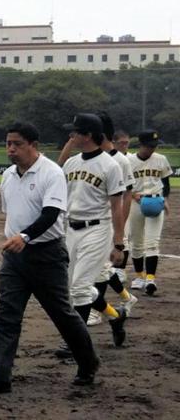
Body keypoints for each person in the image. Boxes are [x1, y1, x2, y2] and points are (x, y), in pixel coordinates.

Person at [0, 122, 99, 396]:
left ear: (33, 145)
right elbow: (13, 212)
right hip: (14, 259)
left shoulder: (51, 172)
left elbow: (51, 214)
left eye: (17, 144)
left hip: (47, 255)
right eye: (8, 144)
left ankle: (88, 363)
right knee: (6, 315)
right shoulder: (7, 175)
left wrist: (25, 236)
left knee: (62, 314)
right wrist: (16, 240)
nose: (11, 149)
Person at [58, 112, 138, 326]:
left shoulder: (110, 165)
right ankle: (115, 316)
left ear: (88, 135)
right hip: (72, 230)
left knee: (80, 288)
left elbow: (116, 207)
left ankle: (76, 342)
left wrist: (119, 244)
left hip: (97, 230)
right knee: (71, 286)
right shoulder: (72, 164)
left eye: (75, 132)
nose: (71, 135)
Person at [127, 130, 172, 295]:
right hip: (136, 204)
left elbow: (165, 183)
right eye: (148, 146)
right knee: (137, 243)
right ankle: (139, 276)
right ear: (140, 145)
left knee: (152, 242)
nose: (152, 149)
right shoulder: (128, 161)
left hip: (155, 202)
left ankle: (150, 279)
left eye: (154, 146)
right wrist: (132, 195)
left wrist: (165, 199)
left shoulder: (161, 159)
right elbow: (123, 185)